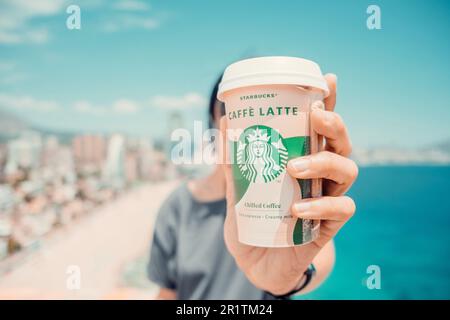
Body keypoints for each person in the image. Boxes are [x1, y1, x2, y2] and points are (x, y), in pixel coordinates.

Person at [147, 73, 358, 299]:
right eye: (244, 109)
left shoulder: (296, 199)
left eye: (273, 111)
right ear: (215, 118)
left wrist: (288, 279)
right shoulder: (178, 207)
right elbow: (166, 294)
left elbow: (320, 258)